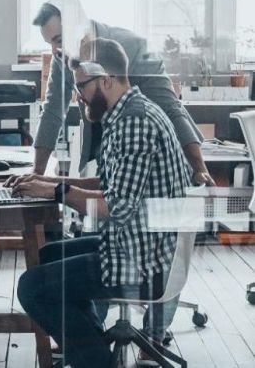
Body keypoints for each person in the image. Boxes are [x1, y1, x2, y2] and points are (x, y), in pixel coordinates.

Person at [13, 38, 192, 368]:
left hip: (146, 260)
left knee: (32, 287)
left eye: (81, 86)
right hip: (143, 243)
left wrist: (54, 194)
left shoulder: (135, 122)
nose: (77, 96)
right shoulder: (128, 113)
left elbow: (116, 206)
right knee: (46, 256)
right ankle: (92, 350)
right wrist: (51, 182)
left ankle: (94, 359)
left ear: (106, 80)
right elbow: (111, 184)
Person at [9, 0, 213, 186]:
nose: (55, 51)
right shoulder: (62, 57)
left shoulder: (134, 47)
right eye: (49, 43)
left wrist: (198, 167)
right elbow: (53, 112)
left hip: (150, 147)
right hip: (106, 145)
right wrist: (37, 173)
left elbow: (170, 107)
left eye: (59, 40)